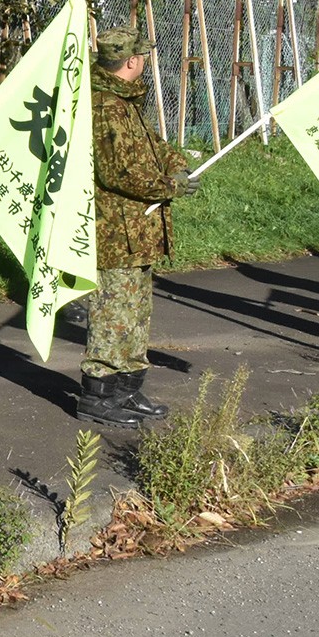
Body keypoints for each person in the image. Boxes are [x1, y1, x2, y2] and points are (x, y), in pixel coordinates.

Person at [83, 26, 185, 428]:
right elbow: (118, 171)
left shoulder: (124, 102)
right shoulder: (106, 106)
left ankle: (127, 388)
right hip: (116, 231)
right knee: (113, 313)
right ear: (131, 61)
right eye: (141, 55)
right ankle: (98, 394)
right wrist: (168, 186)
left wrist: (175, 163)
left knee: (135, 313)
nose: (143, 61)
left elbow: (152, 145)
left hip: (136, 231)